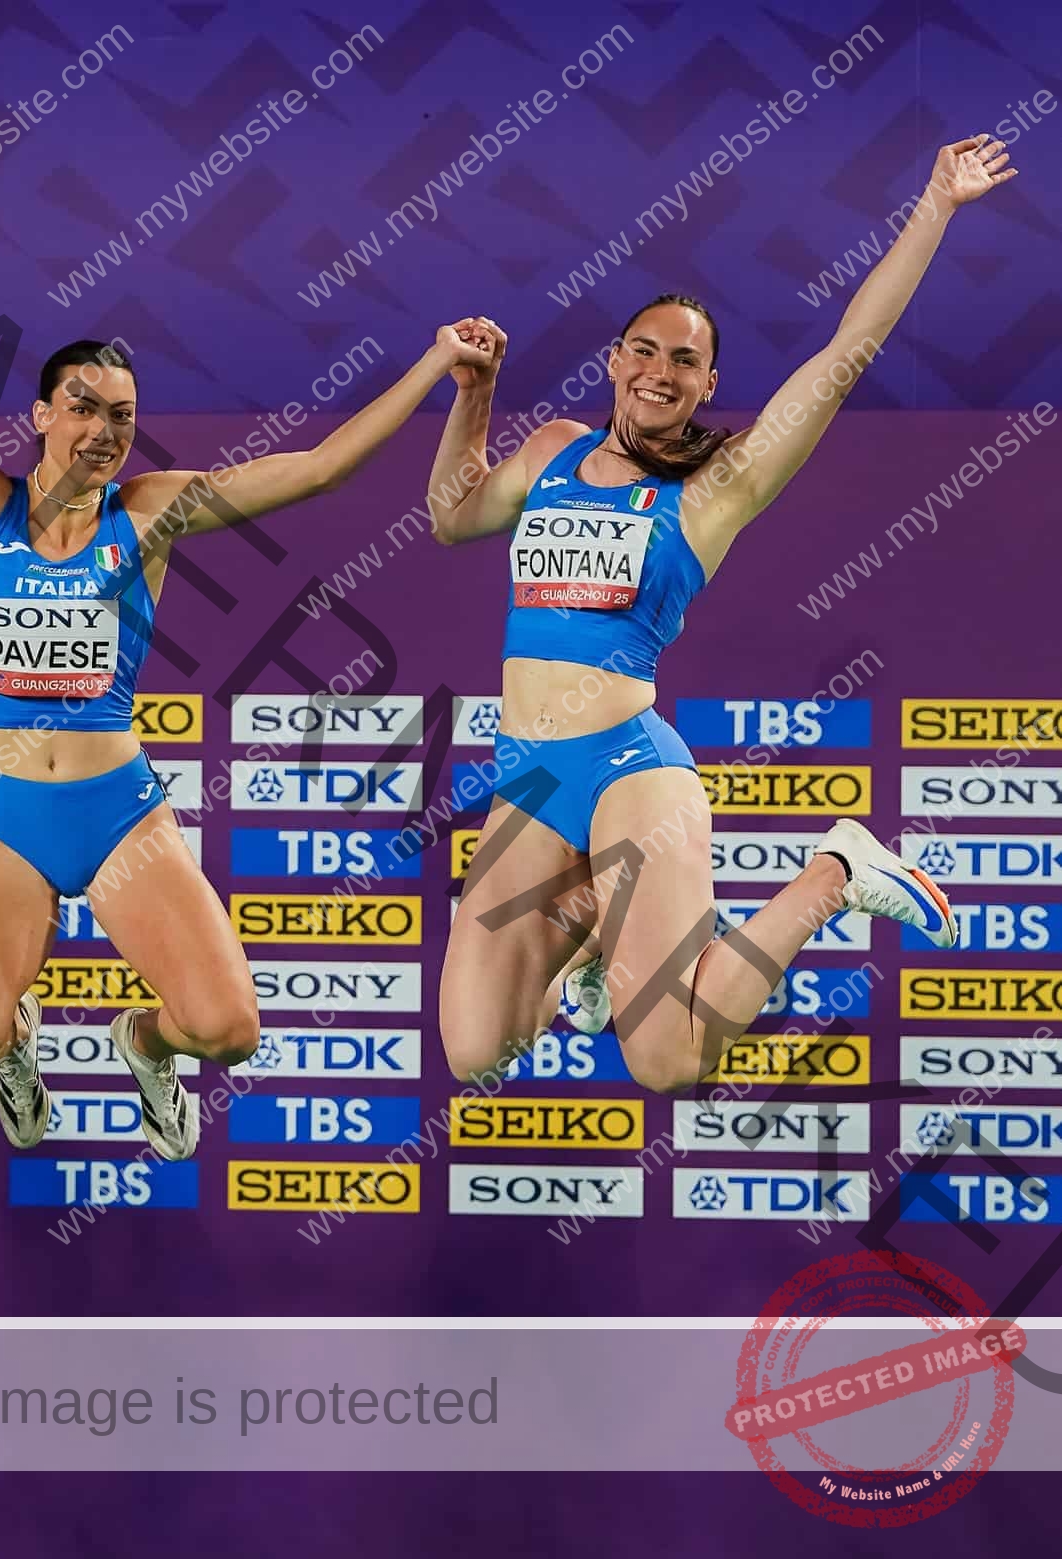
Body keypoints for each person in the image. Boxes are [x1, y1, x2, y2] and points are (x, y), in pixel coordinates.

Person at [0, 322, 497, 1157]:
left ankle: (143, 1041)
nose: (103, 431)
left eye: (122, 416)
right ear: (41, 415)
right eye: (83, 408)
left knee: (227, 1029)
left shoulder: (148, 512)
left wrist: (435, 361)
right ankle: (16, 1039)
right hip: (4, 824)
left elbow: (320, 467)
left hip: (117, 815)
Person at [429, 136, 1015, 1094]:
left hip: (628, 768)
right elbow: (453, 515)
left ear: (707, 385)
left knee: (667, 1061)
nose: (660, 371)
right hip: (527, 774)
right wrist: (476, 393)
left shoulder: (716, 487)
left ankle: (834, 872)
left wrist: (936, 207)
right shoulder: (551, 452)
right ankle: (593, 931)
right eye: (645, 350)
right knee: (477, 1052)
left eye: (686, 361)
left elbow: (846, 354)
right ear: (614, 361)